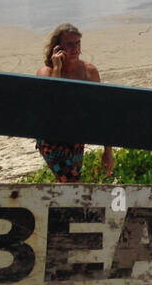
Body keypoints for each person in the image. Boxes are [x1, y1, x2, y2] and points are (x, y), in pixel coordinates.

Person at [34, 23, 115, 182]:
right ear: (57, 47)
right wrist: (57, 68)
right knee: (72, 181)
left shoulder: (89, 71)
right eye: (69, 44)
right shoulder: (46, 72)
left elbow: (101, 110)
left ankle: (56, 205)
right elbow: (50, 102)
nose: (75, 48)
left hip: (77, 137)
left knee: (67, 182)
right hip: (50, 138)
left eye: (77, 43)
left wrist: (108, 151)